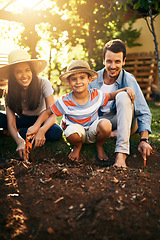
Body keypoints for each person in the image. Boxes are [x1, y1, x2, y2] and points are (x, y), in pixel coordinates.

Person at [26, 60, 135, 162]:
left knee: (106, 124)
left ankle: (99, 145)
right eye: (74, 79)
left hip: (93, 131)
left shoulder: (96, 95)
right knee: (70, 132)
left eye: (82, 78)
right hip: (76, 133)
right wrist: (37, 127)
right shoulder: (65, 100)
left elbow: (111, 95)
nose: (78, 82)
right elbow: (47, 112)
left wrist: (125, 89)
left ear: (90, 79)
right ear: (69, 82)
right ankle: (77, 146)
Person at [89, 39, 152, 168]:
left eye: (117, 61)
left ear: (124, 61)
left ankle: (121, 155)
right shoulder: (93, 80)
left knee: (123, 95)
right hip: (101, 122)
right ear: (103, 61)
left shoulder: (128, 79)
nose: (113, 66)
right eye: (109, 61)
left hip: (125, 119)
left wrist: (144, 140)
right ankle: (111, 133)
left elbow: (143, 112)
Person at [0, 49, 62, 161]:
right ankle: (20, 132)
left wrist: (41, 130)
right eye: (18, 72)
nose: (24, 75)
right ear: (13, 75)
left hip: (40, 119)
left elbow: (52, 114)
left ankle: (19, 132)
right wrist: (19, 140)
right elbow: (11, 122)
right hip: (21, 119)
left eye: (27, 70)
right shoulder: (9, 92)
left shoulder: (43, 83)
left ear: (32, 71)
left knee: (56, 132)